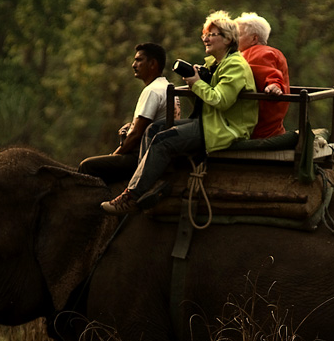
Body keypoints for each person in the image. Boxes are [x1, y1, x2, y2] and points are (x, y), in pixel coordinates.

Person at [101, 11, 258, 215]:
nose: (205, 38)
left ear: (228, 39)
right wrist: (196, 84)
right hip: (210, 120)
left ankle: (131, 196)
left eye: (212, 34)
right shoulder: (216, 64)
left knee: (162, 140)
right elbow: (207, 100)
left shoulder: (235, 65)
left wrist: (198, 84)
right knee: (153, 129)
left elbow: (221, 101)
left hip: (225, 127)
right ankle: (153, 184)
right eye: (205, 34)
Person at [79, 43, 177, 183]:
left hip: (144, 156)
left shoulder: (152, 91)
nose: (133, 64)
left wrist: (115, 154)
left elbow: (135, 135)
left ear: (153, 64)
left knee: (87, 166)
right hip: (159, 153)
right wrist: (131, 126)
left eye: (139, 60)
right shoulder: (166, 87)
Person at [235, 12, 290, 139]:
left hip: (257, 130)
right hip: (272, 128)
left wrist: (274, 85)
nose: (233, 39)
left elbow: (270, 75)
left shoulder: (258, 53)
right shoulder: (272, 52)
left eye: (238, 35)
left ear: (254, 39)